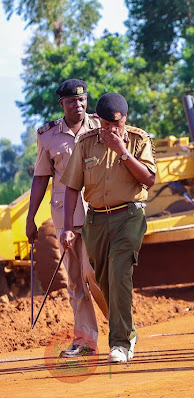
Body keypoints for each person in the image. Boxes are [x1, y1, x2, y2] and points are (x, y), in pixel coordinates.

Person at [60, 93, 156, 363]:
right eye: (106, 126)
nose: (112, 130)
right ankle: (129, 330)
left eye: (117, 125)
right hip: (96, 220)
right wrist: (68, 226)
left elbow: (149, 179)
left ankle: (121, 343)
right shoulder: (86, 143)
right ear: (98, 120)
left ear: (124, 119)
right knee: (103, 280)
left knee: (119, 272)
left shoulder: (138, 140)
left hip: (129, 216)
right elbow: (71, 187)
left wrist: (122, 152)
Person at [26, 79, 102, 357]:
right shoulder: (48, 136)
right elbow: (40, 178)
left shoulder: (99, 128)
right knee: (74, 281)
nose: (78, 105)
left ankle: (120, 330)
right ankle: (85, 341)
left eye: (82, 100)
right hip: (64, 217)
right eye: (71, 101)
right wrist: (31, 218)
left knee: (95, 275)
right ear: (62, 104)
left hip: (97, 212)